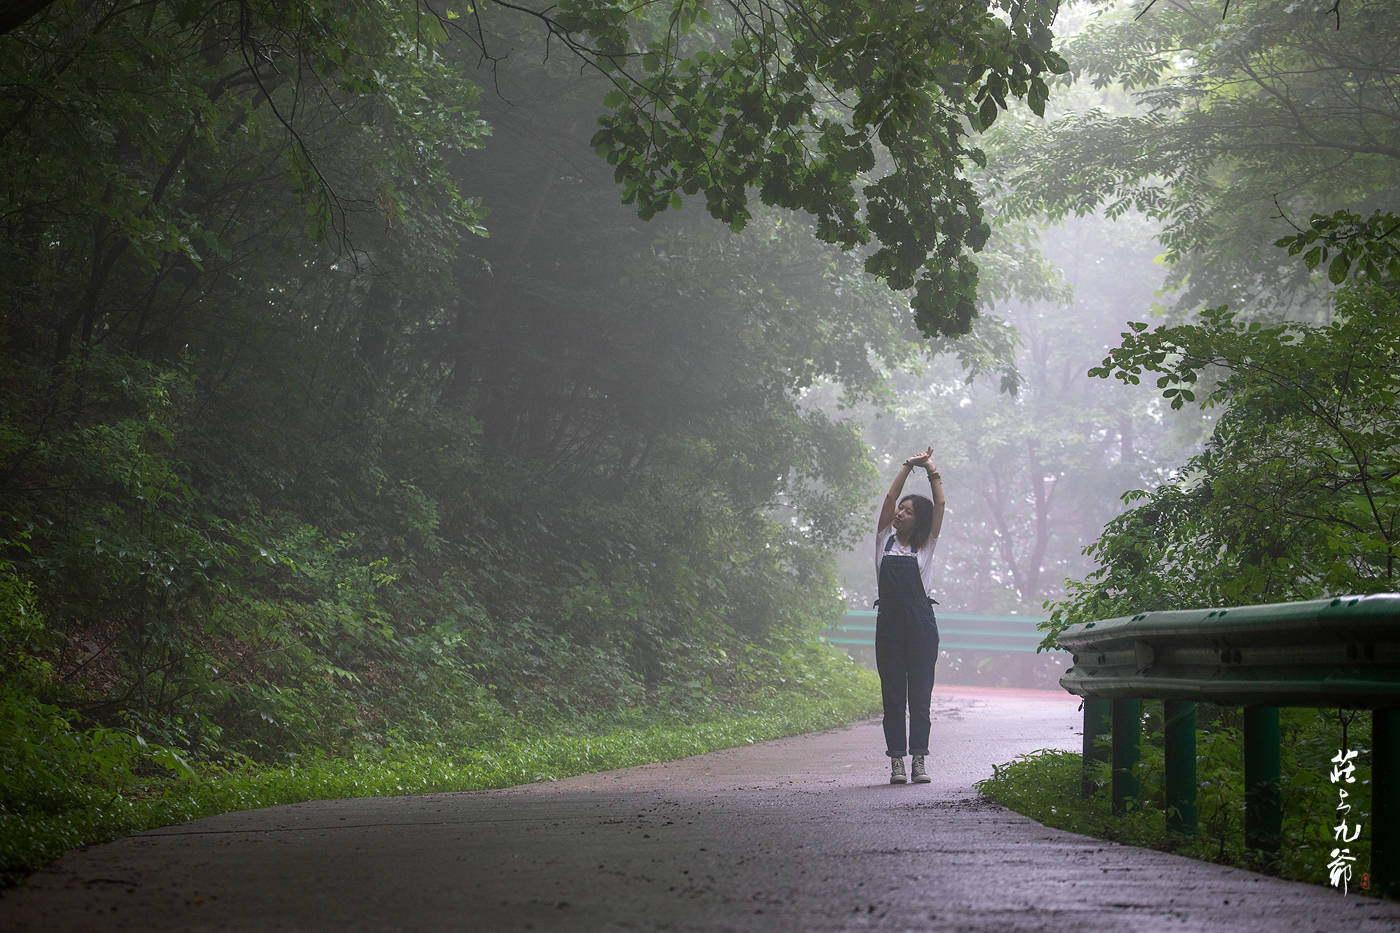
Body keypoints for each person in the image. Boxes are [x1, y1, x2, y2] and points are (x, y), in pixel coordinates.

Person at [874, 446, 945, 784]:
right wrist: (907, 466)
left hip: (920, 625)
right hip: (889, 624)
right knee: (892, 695)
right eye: (899, 509)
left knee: (920, 694)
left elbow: (940, 505)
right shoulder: (883, 540)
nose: (899, 513)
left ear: (919, 520)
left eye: (907, 511)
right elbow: (889, 497)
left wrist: (931, 470)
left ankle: (919, 760)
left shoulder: (926, 544)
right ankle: (896, 762)